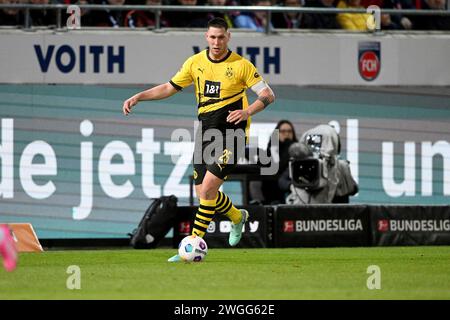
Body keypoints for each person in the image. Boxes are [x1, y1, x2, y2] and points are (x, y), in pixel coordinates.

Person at [122, 17, 275, 262]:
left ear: (229, 37)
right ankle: (237, 216)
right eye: (212, 37)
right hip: (206, 134)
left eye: (221, 37)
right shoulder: (195, 63)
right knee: (204, 193)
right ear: (206, 36)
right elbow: (169, 88)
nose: (216, 42)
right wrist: (139, 96)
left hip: (233, 135)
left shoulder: (241, 65)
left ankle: (190, 248)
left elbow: (268, 94)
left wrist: (248, 111)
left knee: (207, 189)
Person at [249, 120, 298, 205]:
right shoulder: (268, 153)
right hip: (269, 194)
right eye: (283, 131)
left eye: (289, 131)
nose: (286, 134)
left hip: (293, 192)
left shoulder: (298, 152)